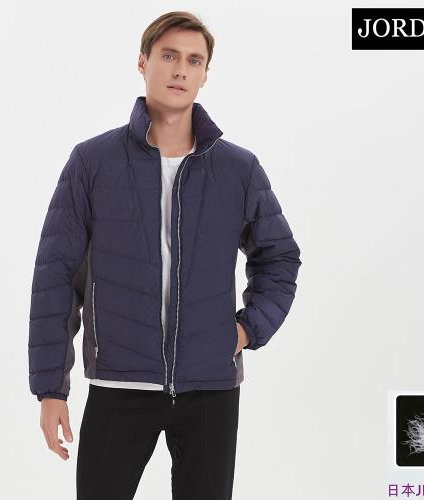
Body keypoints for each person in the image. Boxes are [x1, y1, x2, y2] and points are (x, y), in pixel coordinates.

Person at [28, 10, 301, 500]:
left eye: (194, 61)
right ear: (143, 62)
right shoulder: (92, 162)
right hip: (118, 385)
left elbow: (279, 258)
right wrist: (51, 389)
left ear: (205, 74)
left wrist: (245, 330)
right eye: (169, 56)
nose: (180, 70)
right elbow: (57, 277)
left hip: (210, 390)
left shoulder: (238, 169)